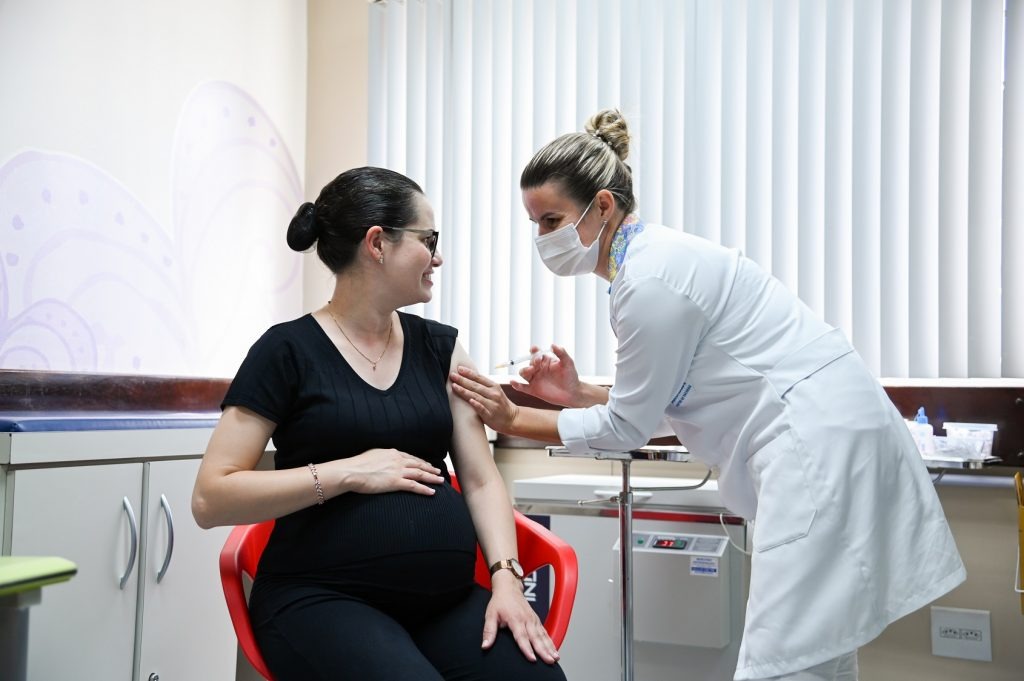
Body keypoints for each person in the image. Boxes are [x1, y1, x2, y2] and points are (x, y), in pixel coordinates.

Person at [449, 109, 965, 681]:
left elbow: (629, 429)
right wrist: (576, 394)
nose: (543, 239)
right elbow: (682, 399)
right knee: (817, 655)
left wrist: (513, 416)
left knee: (781, 663)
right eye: (535, 224)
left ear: (601, 206)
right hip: (822, 436)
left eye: (552, 220)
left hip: (813, 450)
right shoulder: (652, 264)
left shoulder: (649, 284)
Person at [191, 167, 566, 681]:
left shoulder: (441, 347)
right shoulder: (285, 351)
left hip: (445, 602)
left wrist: (505, 578)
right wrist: (349, 472)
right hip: (320, 599)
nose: (437, 256)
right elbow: (212, 498)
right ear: (377, 243)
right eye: (428, 240)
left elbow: (480, 479)